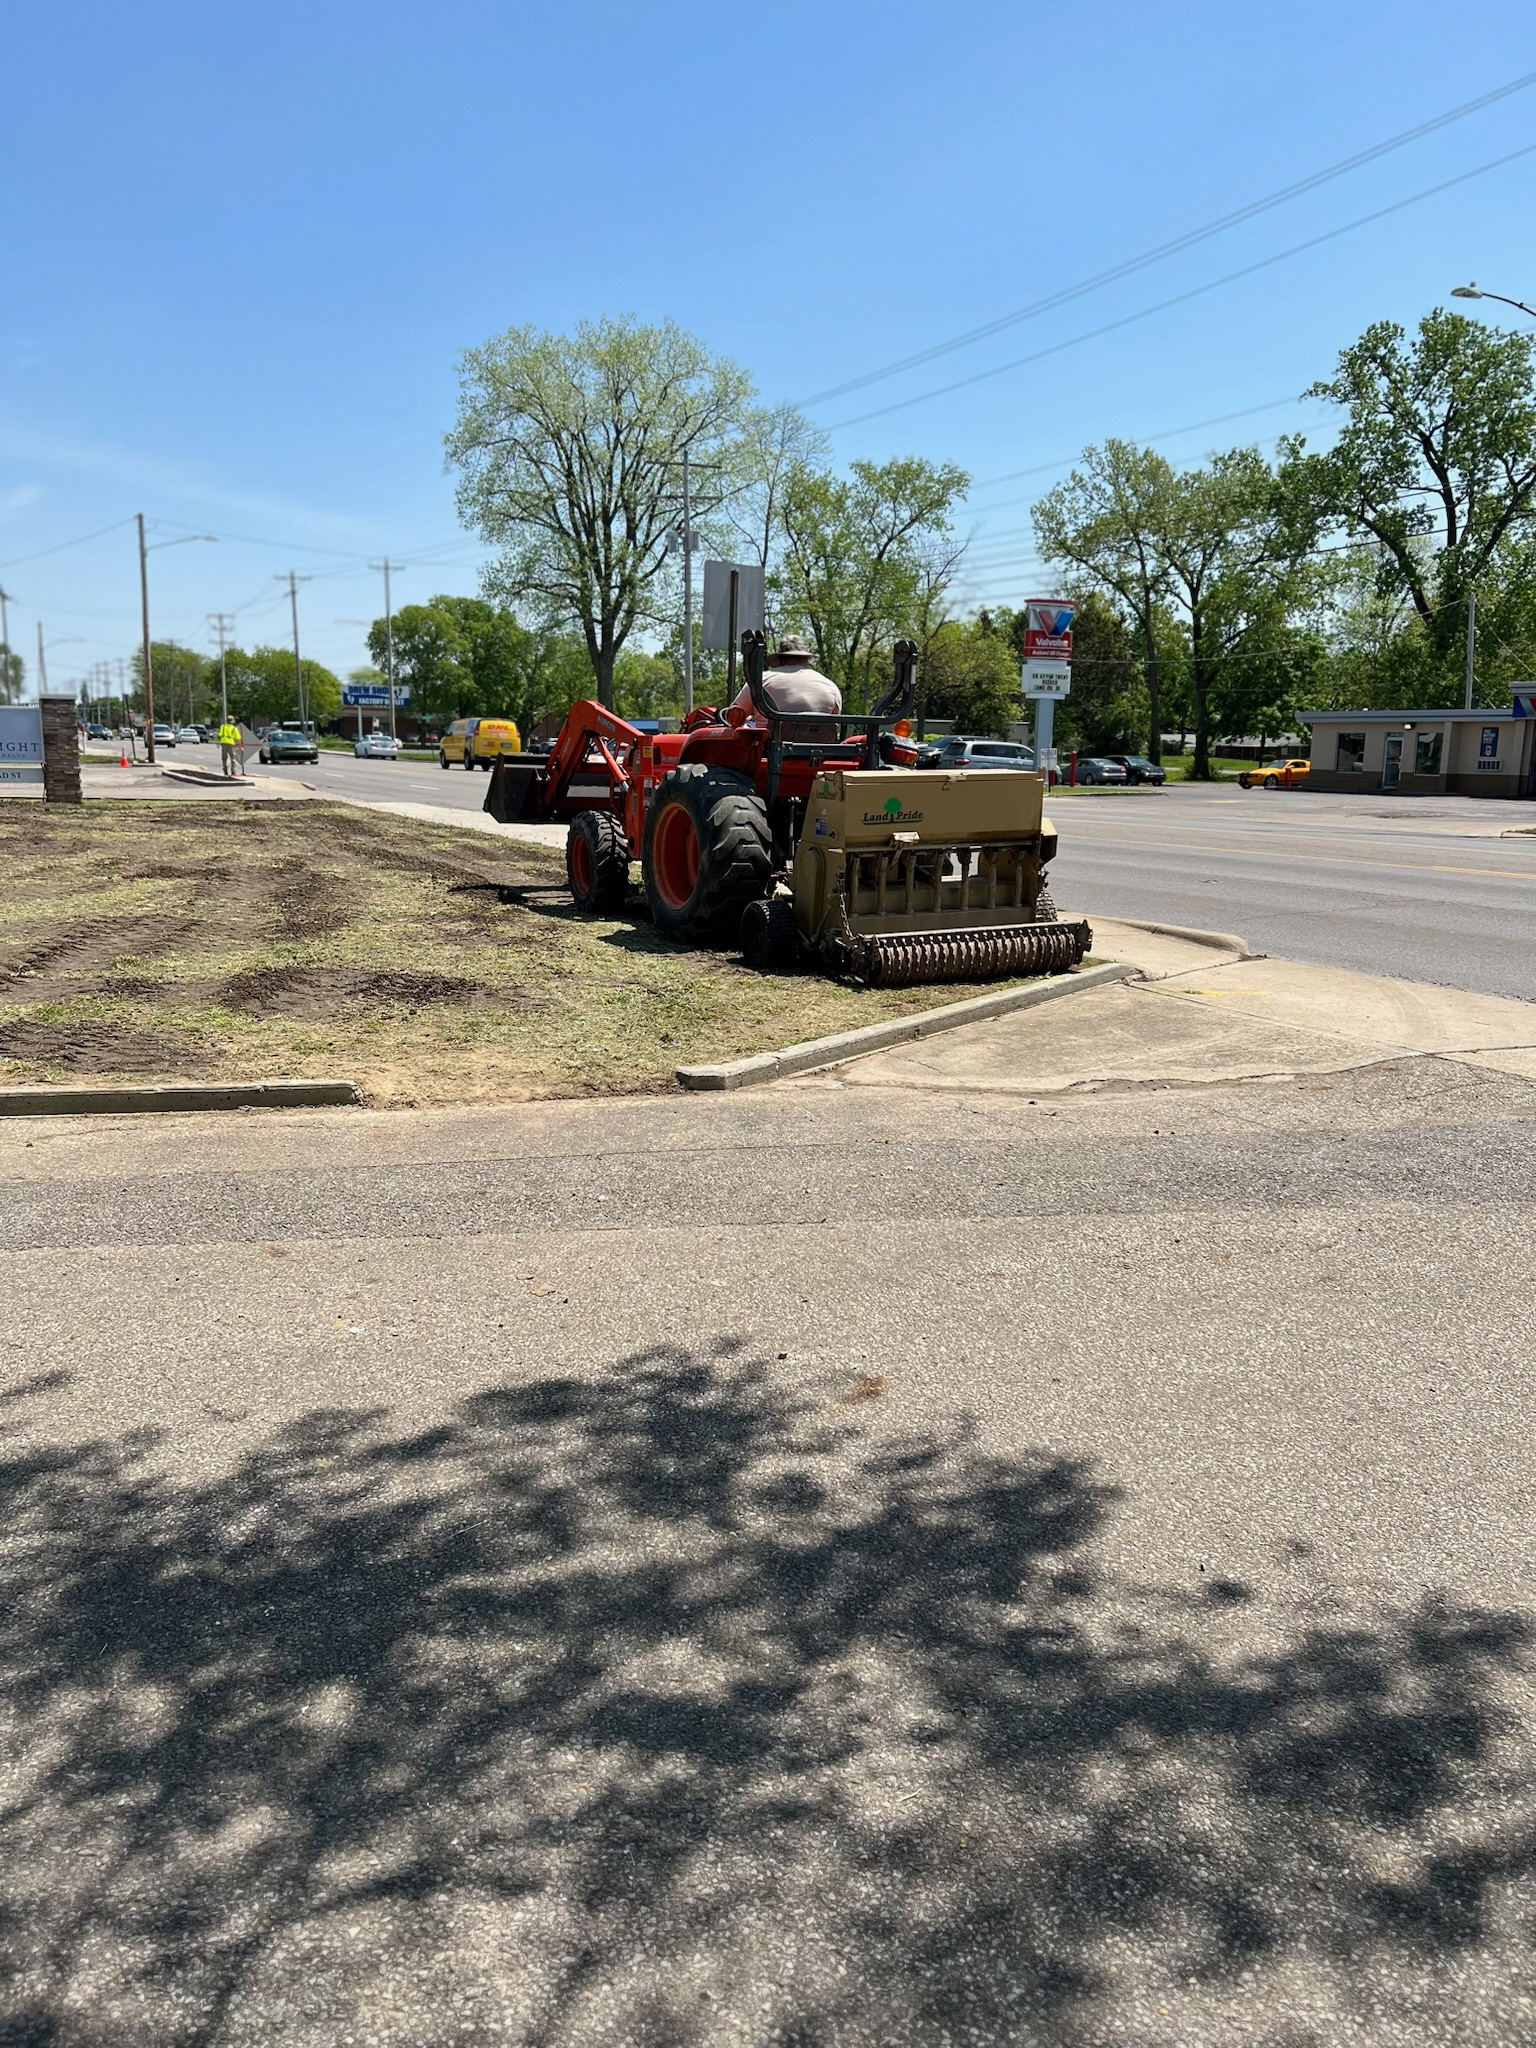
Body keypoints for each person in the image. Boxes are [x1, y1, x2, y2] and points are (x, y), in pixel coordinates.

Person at [729, 638, 842, 736]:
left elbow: (733, 715)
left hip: (768, 752)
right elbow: (833, 724)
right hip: (817, 754)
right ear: (807, 659)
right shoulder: (830, 686)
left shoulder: (760, 680)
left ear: (781, 659)